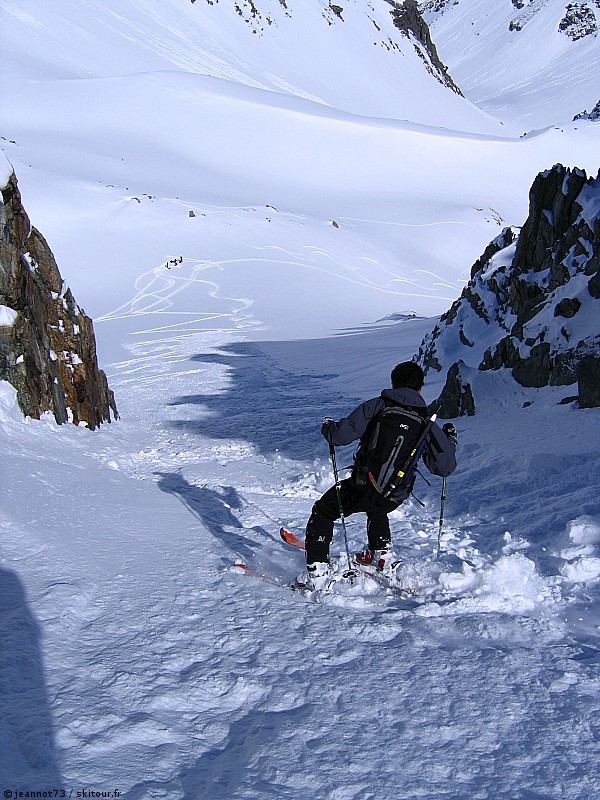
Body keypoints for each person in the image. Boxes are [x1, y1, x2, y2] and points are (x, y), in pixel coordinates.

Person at [296, 361, 457, 590]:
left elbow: (340, 436)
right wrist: (450, 440)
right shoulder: (426, 423)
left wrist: (328, 427)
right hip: (396, 494)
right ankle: (380, 555)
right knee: (379, 504)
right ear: (420, 388)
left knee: (324, 510)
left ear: (393, 383)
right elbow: (444, 467)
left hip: (362, 486)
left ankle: (318, 573)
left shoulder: (378, 406)